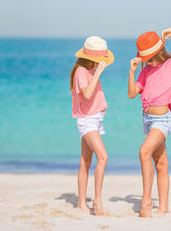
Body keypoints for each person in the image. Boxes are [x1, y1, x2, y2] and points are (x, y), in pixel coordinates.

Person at [128, 27, 171, 217]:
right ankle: (164, 207)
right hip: (148, 120)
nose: (148, 62)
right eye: (146, 59)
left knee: (144, 152)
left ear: (158, 53)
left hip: (163, 120)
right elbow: (132, 93)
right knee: (161, 164)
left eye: (149, 58)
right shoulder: (146, 70)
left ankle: (146, 202)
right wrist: (132, 72)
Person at [70, 36, 114, 215]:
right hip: (87, 120)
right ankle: (97, 201)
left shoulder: (89, 70)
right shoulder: (81, 71)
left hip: (94, 118)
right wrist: (98, 72)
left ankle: (81, 203)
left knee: (85, 161)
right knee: (103, 157)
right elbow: (87, 94)